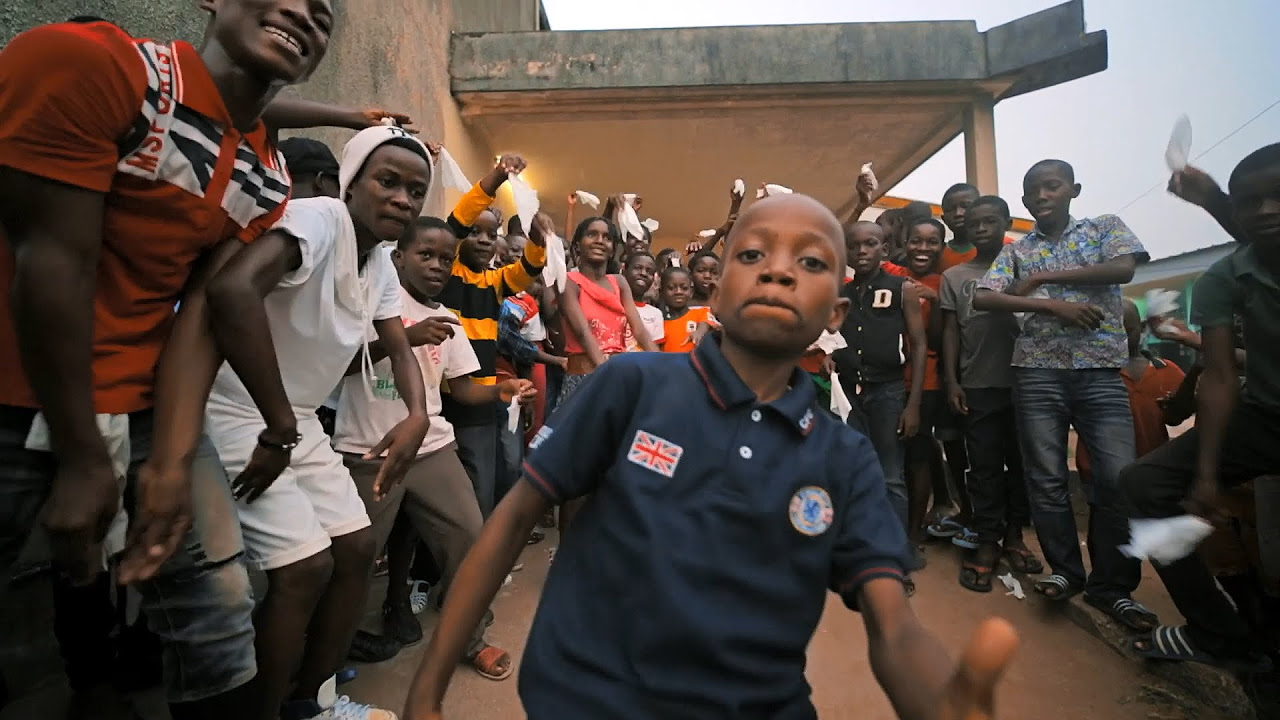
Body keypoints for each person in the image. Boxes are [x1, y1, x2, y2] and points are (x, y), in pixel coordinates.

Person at [402, 192, 1020, 720]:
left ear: (835, 313)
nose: (777, 272)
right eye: (752, 256)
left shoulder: (844, 457)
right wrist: (426, 692)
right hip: (586, 698)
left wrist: (939, 702)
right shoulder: (632, 386)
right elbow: (512, 519)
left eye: (809, 262)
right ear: (715, 295)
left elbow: (894, 625)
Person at [0, 6, 334, 718]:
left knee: (220, 611)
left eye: (323, 11)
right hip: (15, 388)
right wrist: (86, 459)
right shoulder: (92, 66)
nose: (304, 11)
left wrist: (173, 462)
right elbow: (51, 262)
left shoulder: (268, 177)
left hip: (143, 399)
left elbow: (201, 313)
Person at [202, 125, 434, 720]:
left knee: (357, 549)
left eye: (416, 191)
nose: (403, 200)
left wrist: (417, 414)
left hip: (293, 420)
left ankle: (313, 702)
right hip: (239, 411)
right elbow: (232, 290)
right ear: (347, 184)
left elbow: (398, 344)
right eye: (388, 181)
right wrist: (278, 427)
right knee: (304, 568)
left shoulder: (379, 261)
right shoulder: (319, 219)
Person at [334, 216, 534, 682]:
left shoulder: (449, 319)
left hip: (434, 448)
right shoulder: (369, 302)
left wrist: (500, 390)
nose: (437, 266)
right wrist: (404, 338)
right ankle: (326, 656)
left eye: (446, 259)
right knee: (355, 558)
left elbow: (461, 389)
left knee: (470, 536)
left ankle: (470, 638)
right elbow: (340, 366)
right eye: (426, 255)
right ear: (398, 256)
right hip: (369, 450)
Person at [972, 159, 1156, 631]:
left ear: (1074, 189)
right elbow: (984, 296)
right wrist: (1052, 305)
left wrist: (1046, 279)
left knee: (1118, 478)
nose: (1041, 196)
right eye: (1032, 191)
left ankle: (1112, 586)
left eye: (1051, 186)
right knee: (1046, 480)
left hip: (1099, 373)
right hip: (1037, 374)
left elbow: (1124, 268)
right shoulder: (1018, 250)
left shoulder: (1103, 229)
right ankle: (1066, 572)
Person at [1121, 144, 1280, 673]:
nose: (1265, 211)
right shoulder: (1224, 278)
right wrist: (1206, 475)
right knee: (1143, 484)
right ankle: (1218, 633)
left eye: (1277, 197)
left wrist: (1213, 198)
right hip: (1266, 415)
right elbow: (1218, 374)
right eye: (1251, 202)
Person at [435, 158, 549, 519]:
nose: (485, 240)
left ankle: (477, 543)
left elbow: (528, 269)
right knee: (440, 491)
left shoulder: (495, 282)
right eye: (476, 232)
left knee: (480, 485)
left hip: (480, 403)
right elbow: (457, 221)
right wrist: (498, 177)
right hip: (440, 396)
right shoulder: (448, 270)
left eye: (491, 234)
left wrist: (538, 240)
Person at [940, 196, 1041, 593]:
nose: (981, 228)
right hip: (977, 384)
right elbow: (951, 331)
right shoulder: (955, 276)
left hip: (1027, 382)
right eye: (974, 223)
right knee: (983, 467)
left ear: (1006, 223)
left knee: (1021, 464)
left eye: (990, 221)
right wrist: (952, 381)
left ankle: (1014, 536)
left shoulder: (1027, 267)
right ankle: (987, 540)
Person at [831, 221, 926, 566]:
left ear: (884, 249)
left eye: (870, 244)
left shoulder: (902, 288)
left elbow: (918, 345)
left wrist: (913, 404)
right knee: (852, 470)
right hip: (848, 392)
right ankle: (858, 546)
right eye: (854, 245)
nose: (862, 251)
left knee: (890, 475)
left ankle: (894, 555)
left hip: (888, 392)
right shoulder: (840, 293)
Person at [1075, 300, 1185, 491]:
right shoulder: (1089, 374)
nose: (1120, 338)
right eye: (1112, 332)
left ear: (1142, 328)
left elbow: (1181, 413)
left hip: (1152, 471)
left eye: (1127, 330)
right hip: (1098, 472)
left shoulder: (1166, 371)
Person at [558, 216, 658, 404]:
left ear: (613, 249)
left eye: (607, 237)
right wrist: (606, 373)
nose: (599, 241)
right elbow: (582, 332)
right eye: (592, 235)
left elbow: (639, 330)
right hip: (584, 379)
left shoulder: (619, 282)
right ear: (578, 245)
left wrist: (663, 367)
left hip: (615, 376)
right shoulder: (569, 282)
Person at [658, 266, 713, 353]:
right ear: (661, 292)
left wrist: (699, 331)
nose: (678, 292)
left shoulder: (701, 312)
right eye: (671, 288)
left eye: (684, 288)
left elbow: (706, 322)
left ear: (691, 292)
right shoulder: (657, 321)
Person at [622, 252, 666, 351]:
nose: (643, 273)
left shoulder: (655, 314)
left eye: (649, 271)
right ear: (624, 271)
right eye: (637, 268)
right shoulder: (612, 304)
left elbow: (656, 352)